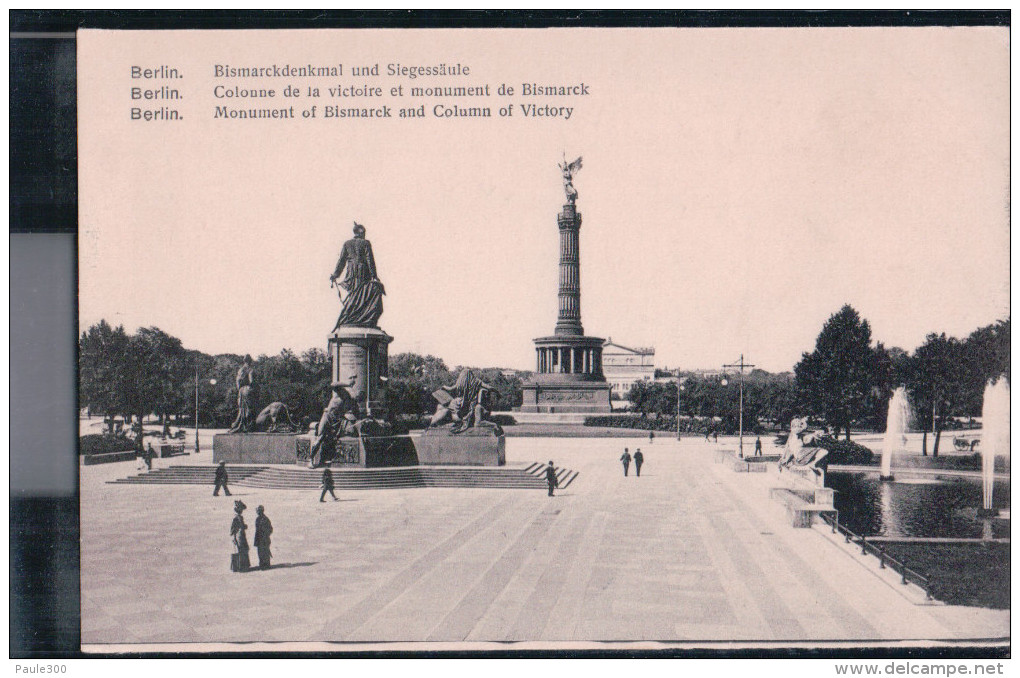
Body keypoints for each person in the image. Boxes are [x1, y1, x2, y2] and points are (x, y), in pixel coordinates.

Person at [331, 222, 385, 329]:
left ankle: (353, 316)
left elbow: (341, 261)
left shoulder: (347, 244)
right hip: (363, 271)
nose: (365, 234)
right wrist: (374, 276)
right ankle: (357, 317)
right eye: (364, 232)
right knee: (361, 294)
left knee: (354, 294)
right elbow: (370, 260)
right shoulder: (366, 243)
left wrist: (335, 275)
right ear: (361, 232)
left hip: (351, 272)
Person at [310, 378, 360, 467]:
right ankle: (311, 460)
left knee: (337, 438)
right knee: (320, 438)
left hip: (338, 420)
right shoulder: (341, 391)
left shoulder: (349, 400)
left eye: (359, 398)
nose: (357, 398)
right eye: (358, 397)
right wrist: (347, 384)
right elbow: (333, 384)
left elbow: (352, 413)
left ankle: (327, 460)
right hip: (327, 416)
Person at [228, 355, 256, 433]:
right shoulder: (250, 370)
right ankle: (247, 426)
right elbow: (251, 381)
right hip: (248, 389)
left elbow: (238, 381)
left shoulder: (240, 370)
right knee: (249, 408)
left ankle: (238, 424)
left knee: (241, 408)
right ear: (250, 361)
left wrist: (240, 389)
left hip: (241, 390)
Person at [230, 500, 250, 572]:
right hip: (239, 536)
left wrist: (244, 526)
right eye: (241, 509)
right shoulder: (236, 518)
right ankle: (241, 566)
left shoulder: (239, 517)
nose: (242, 511)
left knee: (244, 549)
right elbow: (232, 530)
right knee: (241, 550)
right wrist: (234, 538)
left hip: (241, 535)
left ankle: (244, 566)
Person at [253, 505, 273, 570]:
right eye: (257, 511)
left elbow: (270, 529)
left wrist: (266, 535)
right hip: (259, 539)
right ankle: (262, 565)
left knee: (265, 552)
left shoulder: (265, 519)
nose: (257, 512)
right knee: (260, 553)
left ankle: (266, 565)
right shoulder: (258, 519)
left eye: (258, 511)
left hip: (264, 539)